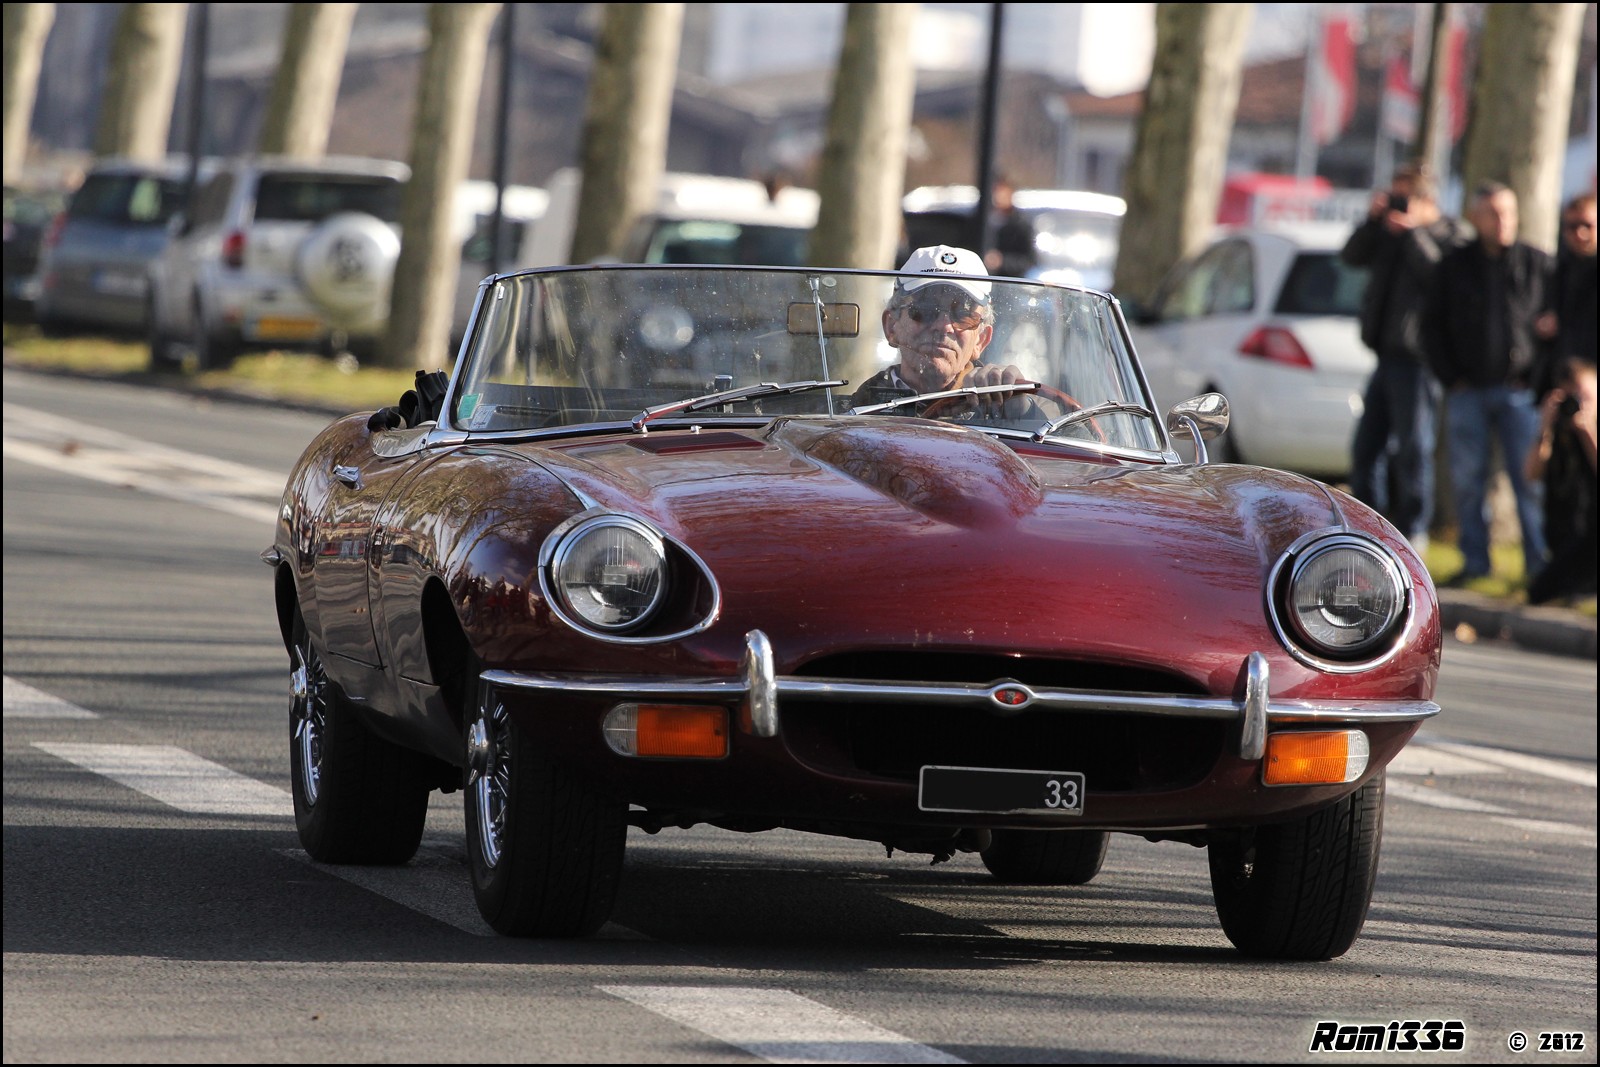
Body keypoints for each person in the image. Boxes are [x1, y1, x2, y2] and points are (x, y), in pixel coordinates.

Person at [1425, 181, 1553, 584]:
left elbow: (1553, 323)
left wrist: (1538, 376)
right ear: (1475, 218)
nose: (1503, 222)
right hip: (1469, 391)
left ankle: (1539, 564)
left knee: (1528, 481)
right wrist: (1452, 378)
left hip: (1520, 391)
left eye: (1508, 212)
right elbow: (1432, 326)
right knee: (1467, 481)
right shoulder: (1454, 266)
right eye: (1493, 214)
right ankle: (1476, 561)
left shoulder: (1536, 264)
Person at [1340, 162, 1469, 550]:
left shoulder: (1448, 234)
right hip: (1386, 355)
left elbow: (1440, 279)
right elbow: (1352, 256)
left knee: (1413, 447)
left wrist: (1413, 234)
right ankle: (1368, 523)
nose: (1399, 204)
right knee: (1367, 448)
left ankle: (1414, 528)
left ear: (1428, 200)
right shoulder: (1388, 232)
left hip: (1419, 359)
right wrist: (1372, 220)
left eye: (1406, 196)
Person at [848, 245, 1039, 420]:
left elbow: (1053, 439)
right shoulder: (853, 415)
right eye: (925, 309)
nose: (944, 325)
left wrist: (1023, 410)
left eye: (963, 314)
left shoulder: (1012, 411)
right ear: (891, 326)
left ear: (981, 340)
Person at [1524, 357, 1597, 605]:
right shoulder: (1556, 432)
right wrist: (1544, 426)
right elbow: (1531, 474)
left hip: (1591, 538)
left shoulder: (1590, 433)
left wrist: (1589, 435)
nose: (1578, 405)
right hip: (1564, 539)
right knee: (1538, 592)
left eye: (1585, 397)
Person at [1533, 192, 1597, 392]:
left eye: (1587, 225)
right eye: (1572, 226)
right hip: (1561, 380)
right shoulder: (1553, 272)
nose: (1580, 233)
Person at [985, 175, 1038, 278]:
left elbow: (1030, 261)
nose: (997, 196)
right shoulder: (983, 220)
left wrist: (1002, 261)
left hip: (1009, 285)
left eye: (1001, 191)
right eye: (995, 190)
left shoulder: (1021, 225)